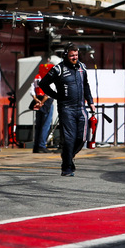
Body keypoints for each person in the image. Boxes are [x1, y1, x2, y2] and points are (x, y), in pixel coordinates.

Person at [38, 46, 95, 177]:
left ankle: (68, 155)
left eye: (76, 55)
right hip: (66, 108)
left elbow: (86, 85)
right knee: (69, 139)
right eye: (71, 56)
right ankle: (67, 167)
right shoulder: (58, 69)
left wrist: (90, 101)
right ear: (66, 56)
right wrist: (56, 95)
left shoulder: (82, 67)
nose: (74, 58)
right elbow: (43, 84)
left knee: (82, 138)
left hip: (81, 108)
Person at [31, 61, 55, 153]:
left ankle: (36, 146)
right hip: (46, 102)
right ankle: (42, 145)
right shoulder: (50, 79)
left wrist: (36, 100)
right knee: (45, 125)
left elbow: (32, 90)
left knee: (38, 125)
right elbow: (48, 93)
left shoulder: (37, 77)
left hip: (37, 101)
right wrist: (42, 103)